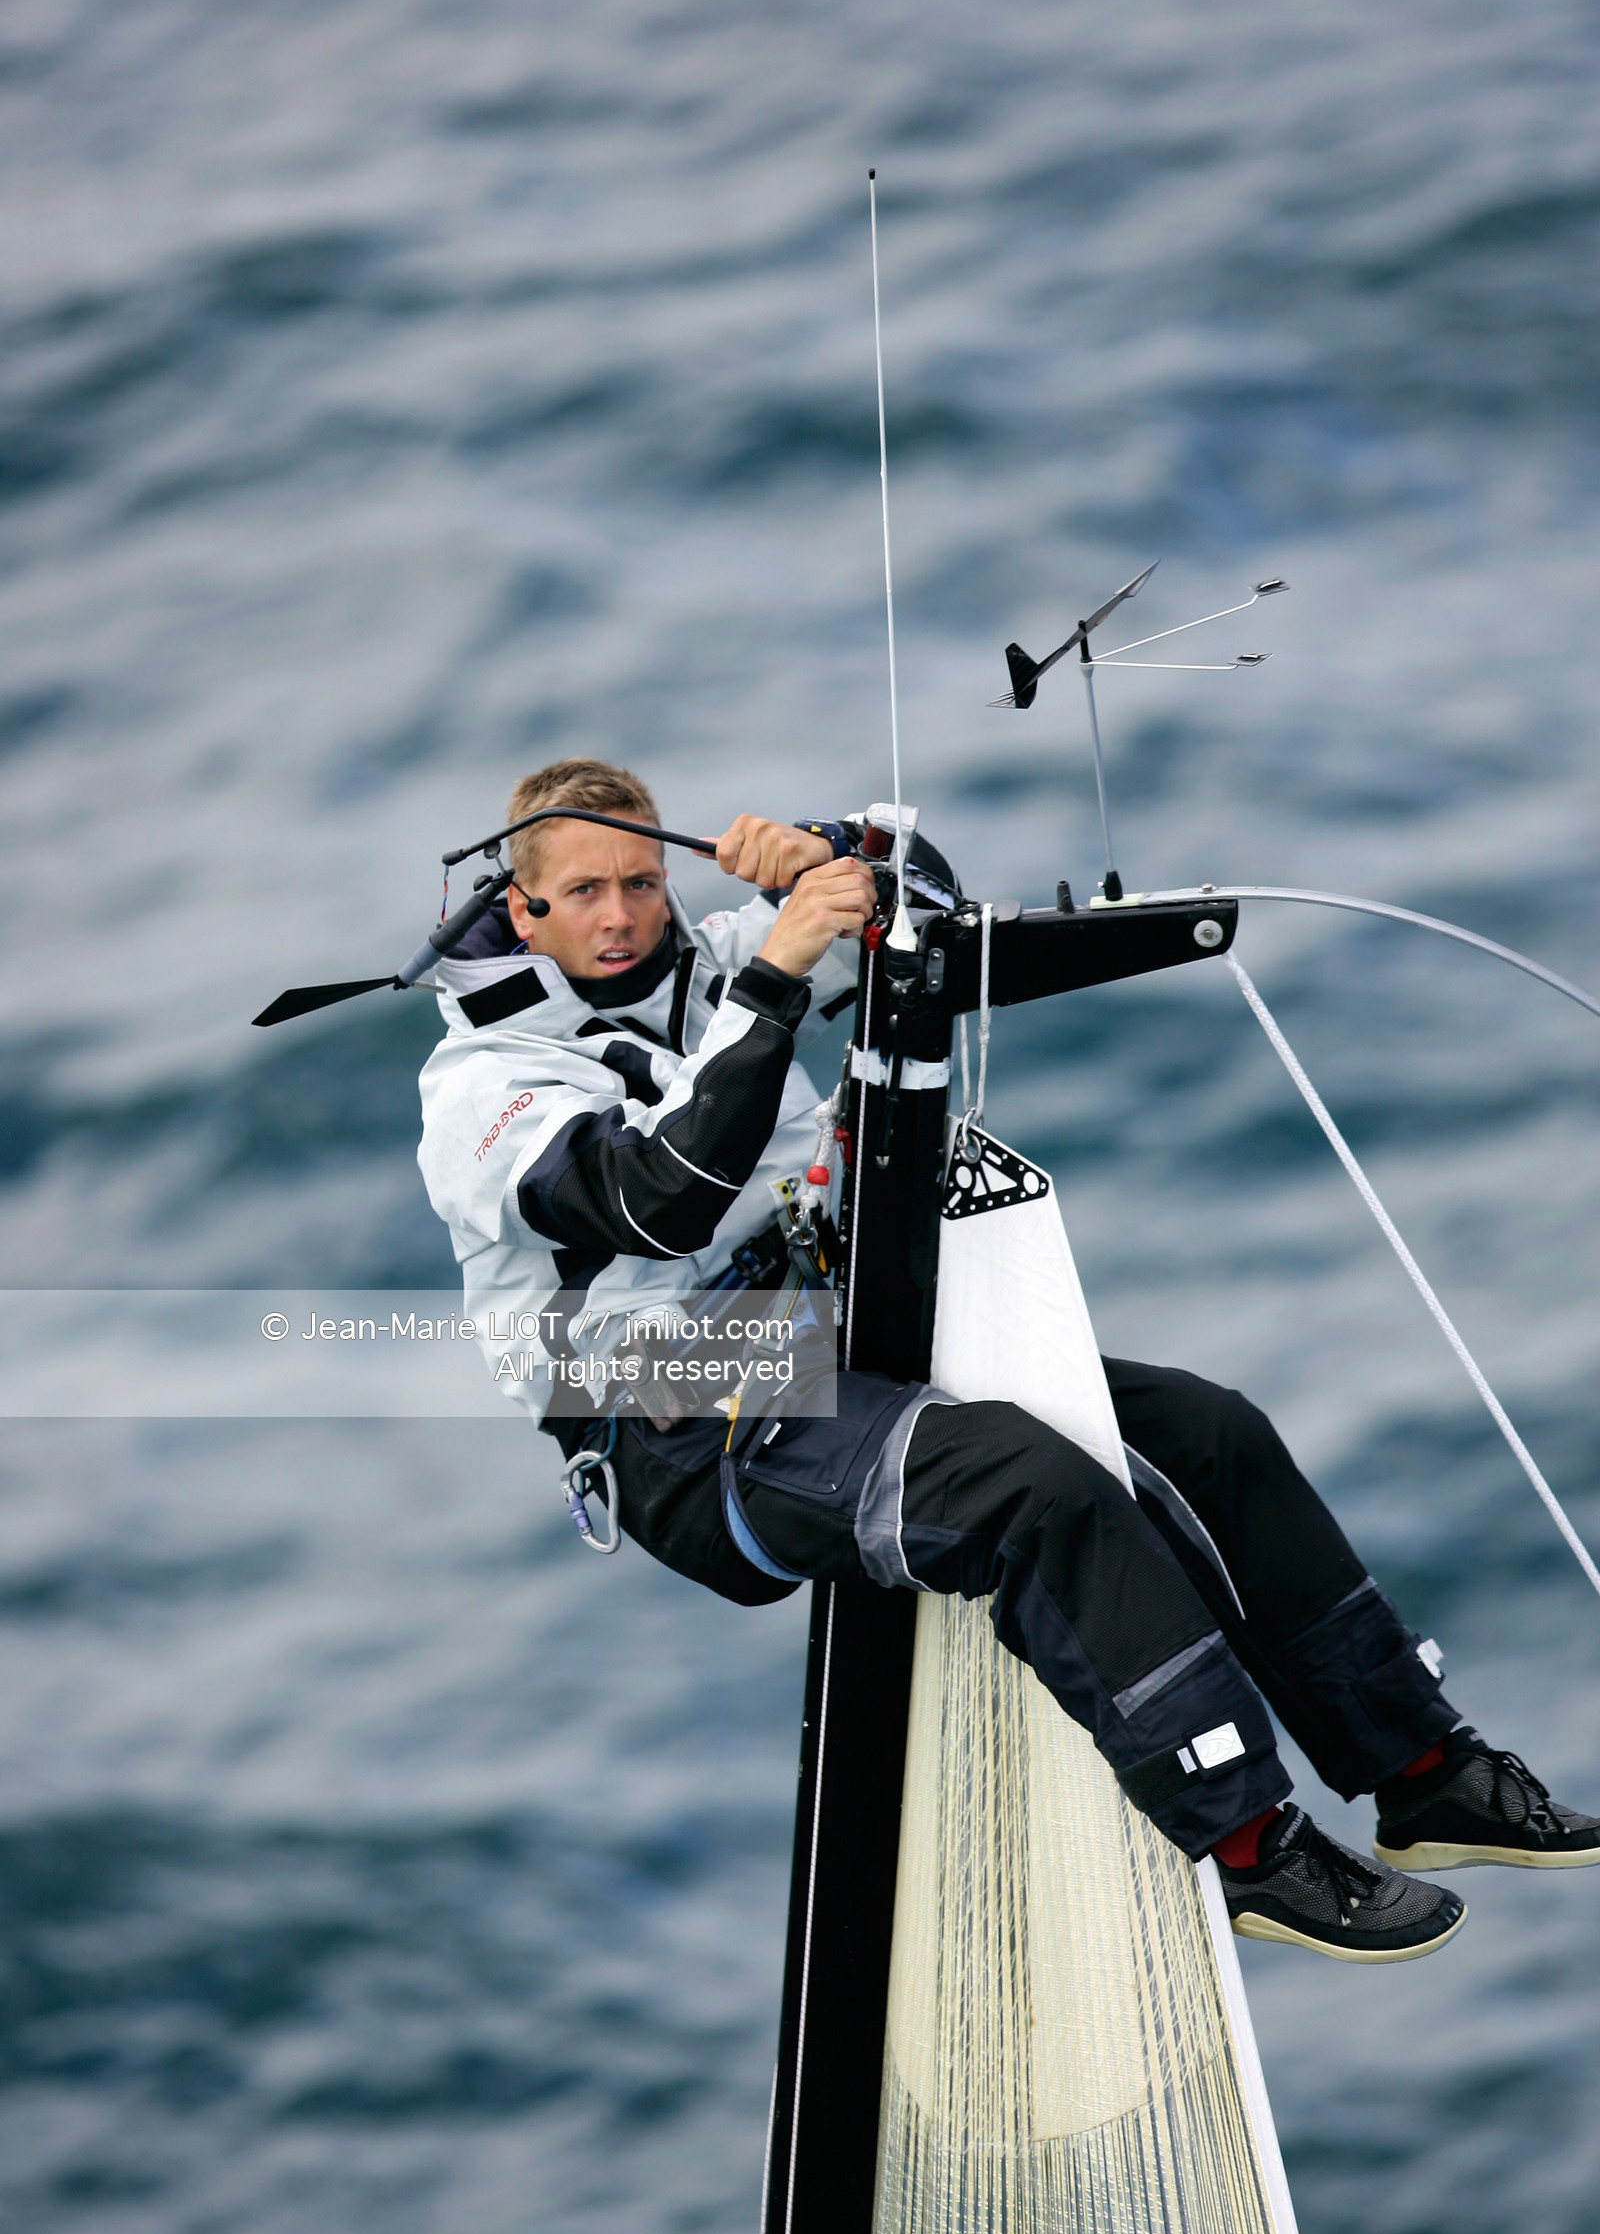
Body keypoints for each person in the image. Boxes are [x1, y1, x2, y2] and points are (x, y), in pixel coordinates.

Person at [417, 757, 1600, 1963]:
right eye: (581, 894)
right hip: (666, 1427)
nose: (617, 917)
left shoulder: (707, 959)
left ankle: (1421, 1771)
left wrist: (841, 858)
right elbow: (655, 1201)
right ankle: (1250, 1847)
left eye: (639, 883)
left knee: (1207, 1431)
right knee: (1034, 1488)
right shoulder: (484, 1089)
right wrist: (777, 973)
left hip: (819, 1330)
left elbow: (933, 925)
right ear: (523, 908)